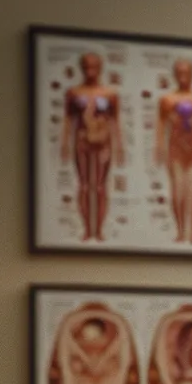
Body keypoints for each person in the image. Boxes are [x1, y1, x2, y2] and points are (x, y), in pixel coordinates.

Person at [60, 52, 123, 242]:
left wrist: (119, 145)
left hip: (104, 143)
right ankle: (88, 229)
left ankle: (100, 230)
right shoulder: (74, 93)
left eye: (94, 67)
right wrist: (64, 143)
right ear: (81, 68)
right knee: (85, 186)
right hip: (82, 141)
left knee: (101, 187)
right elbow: (68, 120)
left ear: (101, 67)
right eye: (86, 67)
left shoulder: (110, 95)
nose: (90, 71)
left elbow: (114, 121)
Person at [156, 58, 192, 244]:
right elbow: (161, 125)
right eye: (179, 73)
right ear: (174, 75)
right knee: (178, 193)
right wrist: (159, 148)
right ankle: (180, 231)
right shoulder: (167, 100)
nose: (183, 77)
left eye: (186, 72)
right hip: (176, 150)